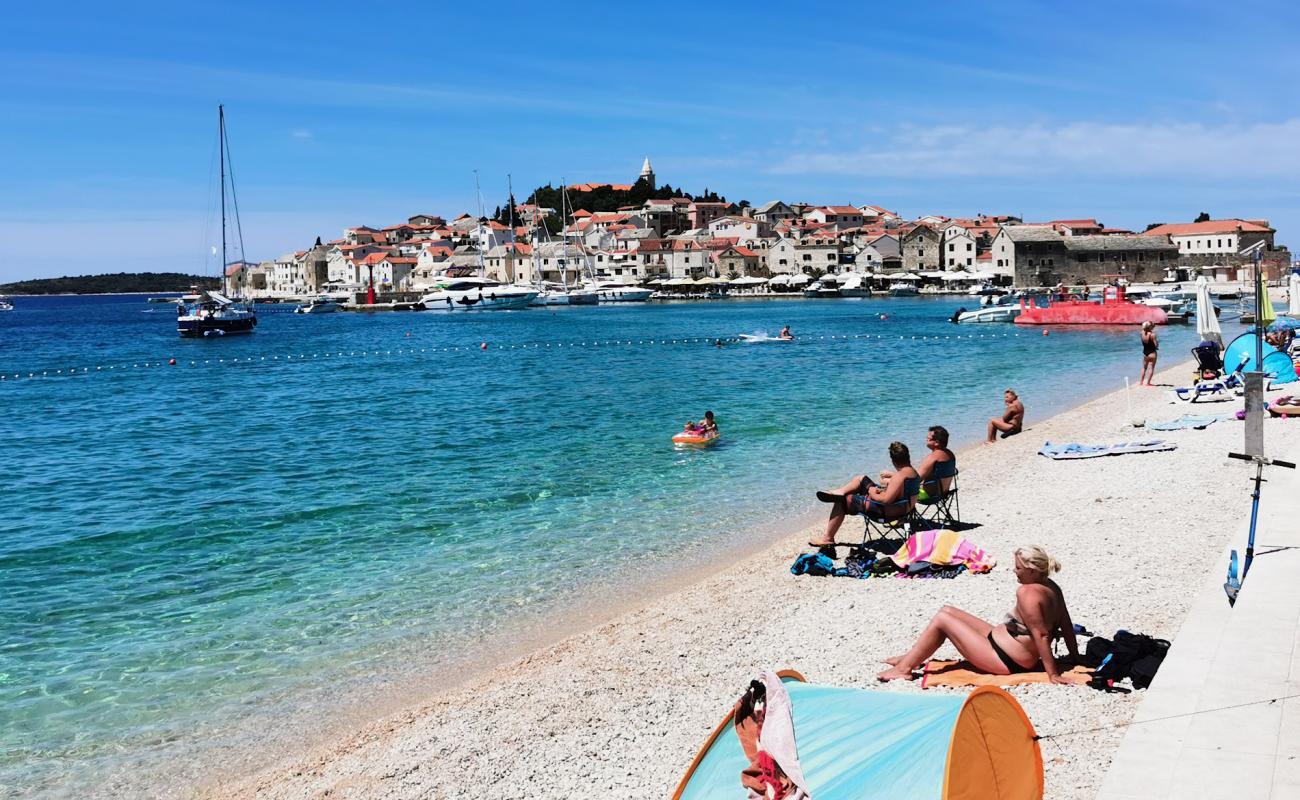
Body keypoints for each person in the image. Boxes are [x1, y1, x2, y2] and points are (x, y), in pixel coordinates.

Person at [877, 545, 1080, 683]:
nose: (1014, 571)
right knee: (947, 610)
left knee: (942, 620)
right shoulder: (1052, 586)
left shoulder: (1027, 593)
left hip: (1006, 659)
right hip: (1004, 644)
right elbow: (1065, 622)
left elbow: (1042, 634)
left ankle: (904, 669)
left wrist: (1052, 674)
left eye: (1018, 568)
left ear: (1033, 571)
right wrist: (1075, 656)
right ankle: (910, 657)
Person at [808, 442, 918, 548]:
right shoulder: (913, 473)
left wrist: (871, 491)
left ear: (893, 460)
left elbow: (885, 500)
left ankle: (827, 539)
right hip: (902, 509)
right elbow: (898, 493)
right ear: (907, 456)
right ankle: (840, 491)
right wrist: (882, 489)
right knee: (861, 479)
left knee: (842, 501)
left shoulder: (899, 477)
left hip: (886, 512)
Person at [881, 426, 955, 501]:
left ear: (936, 443)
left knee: (885, 481)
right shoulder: (950, 454)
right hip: (944, 493)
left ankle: (895, 509)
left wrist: (893, 475)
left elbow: (915, 481)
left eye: (929, 439)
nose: (926, 440)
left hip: (928, 495)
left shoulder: (933, 458)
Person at [1139, 321, 1159, 386]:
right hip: (1152, 353)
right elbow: (1156, 345)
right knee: (1151, 368)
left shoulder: (1141, 333)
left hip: (1145, 353)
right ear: (1151, 327)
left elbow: (1144, 329)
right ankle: (1148, 383)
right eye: (1153, 326)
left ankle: (1141, 382)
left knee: (1144, 368)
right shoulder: (1153, 335)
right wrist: (1157, 342)